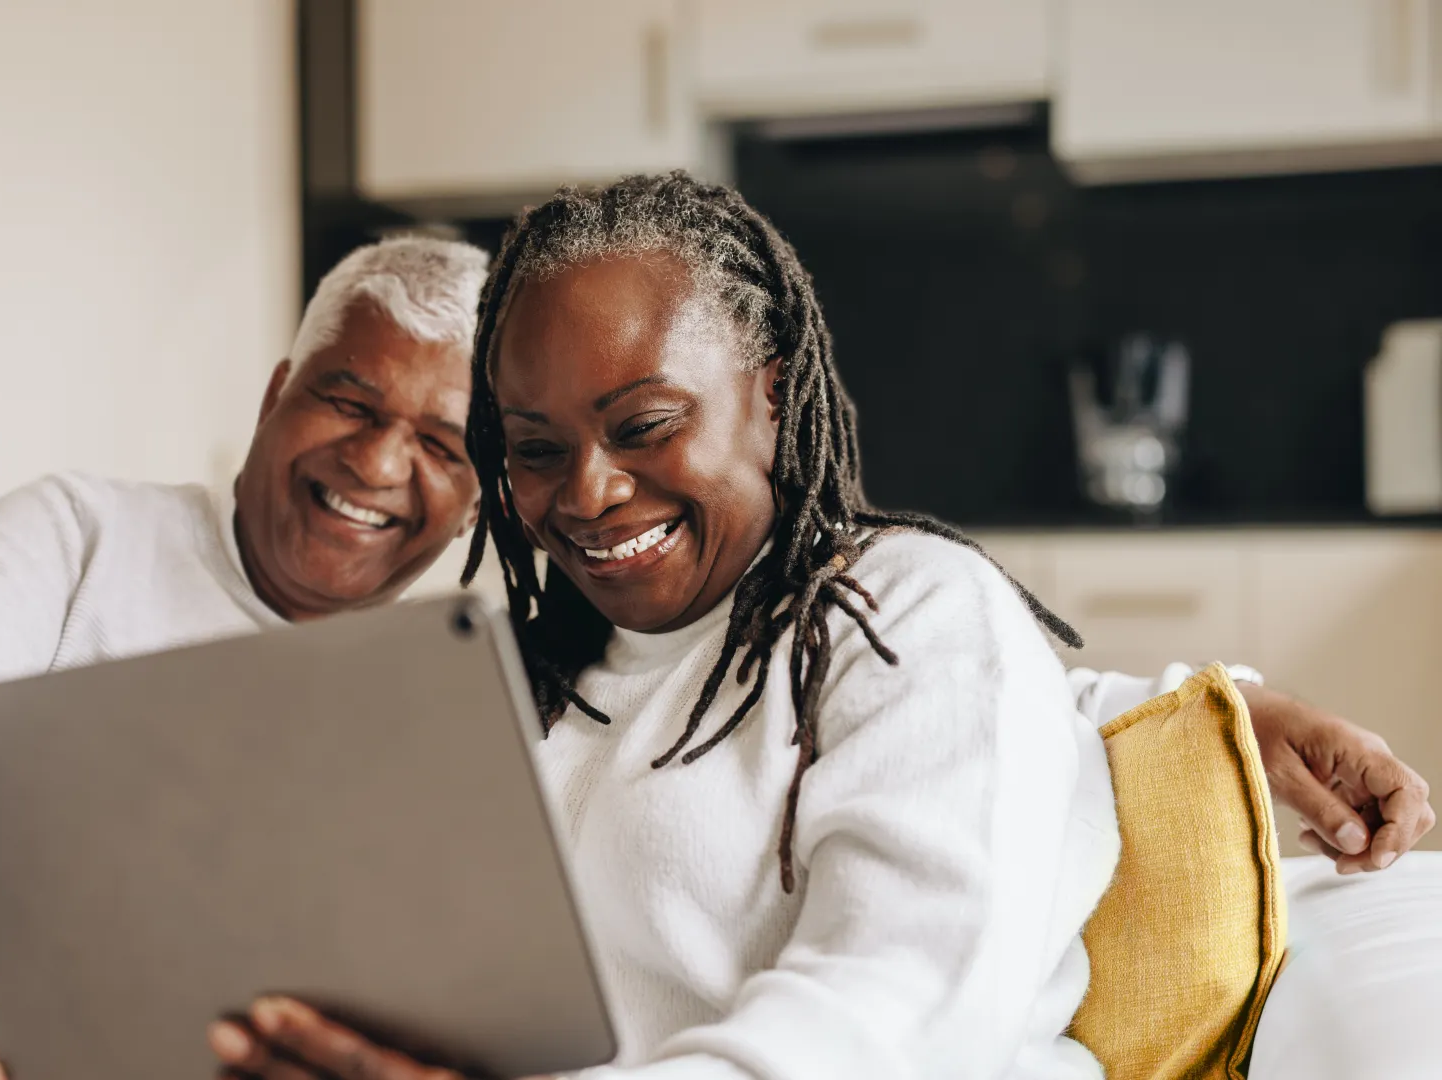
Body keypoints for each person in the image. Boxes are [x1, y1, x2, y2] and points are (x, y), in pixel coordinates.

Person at [0, 230, 1427, 1080]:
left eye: (451, 446)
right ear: (275, 396)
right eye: (348, 404)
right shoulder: (89, 534)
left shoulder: (497, 658)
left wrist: (1207, 718)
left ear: (479, 511)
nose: (379, 463)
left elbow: (877, 668)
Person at [204, 174, 1437, 1080]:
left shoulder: (902, 610)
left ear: (775, 391)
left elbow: (902, 1006)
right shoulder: (522, 673)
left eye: (643, 427)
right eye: (533, 450)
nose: (584, 494)